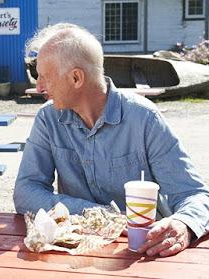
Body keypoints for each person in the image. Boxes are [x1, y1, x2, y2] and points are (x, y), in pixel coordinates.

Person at [14, 23, 209, 257]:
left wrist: (183, 225)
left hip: (143, 253)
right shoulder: (48, 118)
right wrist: (101, 216)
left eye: (45, 77)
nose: (38, 87)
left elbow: (194, 195)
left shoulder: (144, 118)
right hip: (78, 254)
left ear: (76, 78)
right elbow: (26, 193)